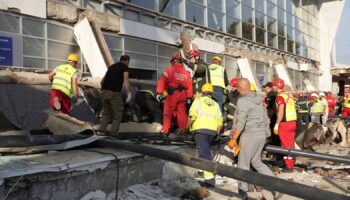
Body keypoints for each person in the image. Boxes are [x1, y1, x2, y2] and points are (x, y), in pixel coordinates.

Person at [230, 78, 280, 200]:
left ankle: (242, 193)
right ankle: (277, 187)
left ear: (240, 88)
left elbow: (241, 122)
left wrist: (234, 138)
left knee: (243, 164)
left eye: (237, 88)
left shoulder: (242, 100)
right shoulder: (259, 98)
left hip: (249, 135)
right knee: (256, 162)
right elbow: (265, 117)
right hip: (261, 135)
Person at [186, 83, 222, 187]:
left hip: (201, 131)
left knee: (205, 155)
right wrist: (217, 132)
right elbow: (219, 120)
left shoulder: (198, 101)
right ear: (211, 93)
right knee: (205, 151)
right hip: (212, 132)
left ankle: (209, 180)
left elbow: (192, 116)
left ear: (202, 92)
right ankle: (202, 171)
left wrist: (186, 128)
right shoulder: (215, 104)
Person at [156, 54, 193, 135]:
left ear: (173, 61)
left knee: (167, 112)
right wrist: (189, 97)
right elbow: (189, 86)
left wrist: (159, 92)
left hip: (172, 95)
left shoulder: (169, 70)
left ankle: (165, 130)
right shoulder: (186, 73)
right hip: (183, 95)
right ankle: (183, 130)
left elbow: (162, 82)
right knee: (182, 113)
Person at [99, 55, 132, 135]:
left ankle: (101, 131)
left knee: (106, 112)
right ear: (127, 61)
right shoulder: (124, 67)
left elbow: (102, 81)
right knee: (118, 113)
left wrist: (105, 89)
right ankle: (114, 133)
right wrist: (129, 93)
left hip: (104, 92)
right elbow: (126, 79)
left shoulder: (111, 67)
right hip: (114, 93)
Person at [272, 78, 297, 172]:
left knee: (285, 145)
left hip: (284, 123)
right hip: (292, 122)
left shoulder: (280, 97)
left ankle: (289, 166)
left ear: (276, 86)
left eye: (273, 85)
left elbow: (281, 111)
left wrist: (277, 124)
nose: (272, 87)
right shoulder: (289, 95)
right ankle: (291, 162)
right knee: (290, 144)